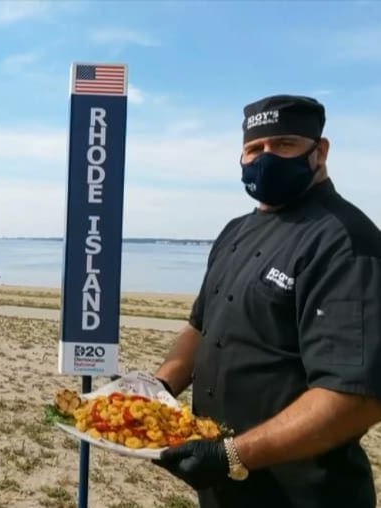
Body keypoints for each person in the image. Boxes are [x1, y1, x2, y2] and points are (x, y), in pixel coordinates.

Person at [150, 94, 381, 508]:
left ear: (320, 151)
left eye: (285, 144)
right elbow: (200, 328)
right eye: (255, 148)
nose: (266, 157)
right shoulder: (234, 232)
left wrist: (234, 454)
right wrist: (155, 390)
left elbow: (357, 398)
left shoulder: (346, 242)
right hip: (224, 486)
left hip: (306, 494)